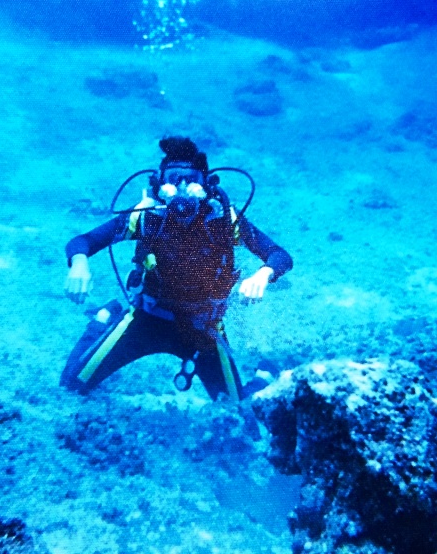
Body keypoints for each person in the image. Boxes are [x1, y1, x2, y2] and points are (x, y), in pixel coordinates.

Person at [61, 137, 292, 400]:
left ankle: (262, 379)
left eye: (191, 179)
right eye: (172, 178)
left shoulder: (224, 220)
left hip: (203, 329)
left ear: (206, 183)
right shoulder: (146, 217)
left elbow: (279, 255)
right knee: (72, 384)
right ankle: (102, 321)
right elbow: (84, 241)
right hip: (147, 318)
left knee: (238, 409)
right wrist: (79, 263)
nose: (181, 187)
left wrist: (264, 273)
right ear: (160, 185)